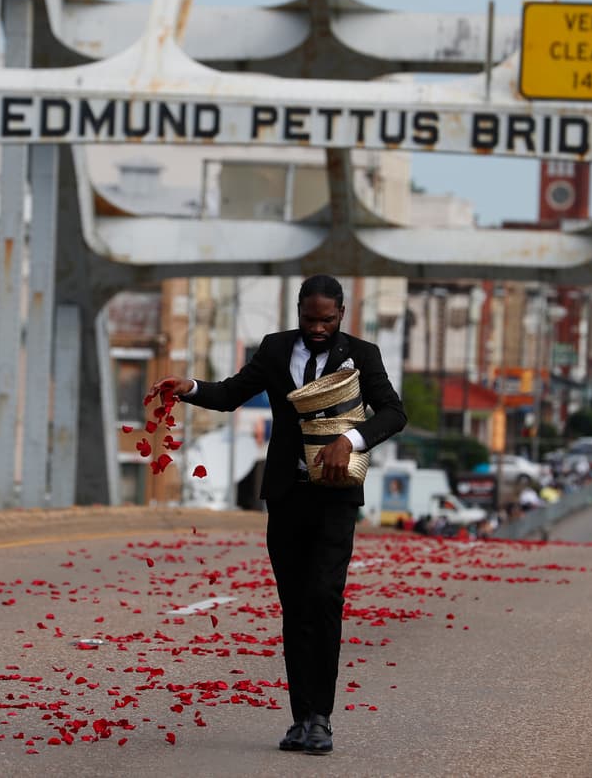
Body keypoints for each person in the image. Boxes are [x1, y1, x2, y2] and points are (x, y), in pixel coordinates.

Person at [148, 275, 406, 756]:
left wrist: (349, 440)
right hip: (287, 497)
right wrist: (189, 387)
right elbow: (230, 394)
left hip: (335, 497)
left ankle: (322, 721)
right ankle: (301, 718)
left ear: (341, 314)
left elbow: (393, 413)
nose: (318, 328)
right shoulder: (274, 348)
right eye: (310, 318)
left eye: (327, 320)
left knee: (323, 599)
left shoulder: (364, 355)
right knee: (295, 607)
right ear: (299, 310)